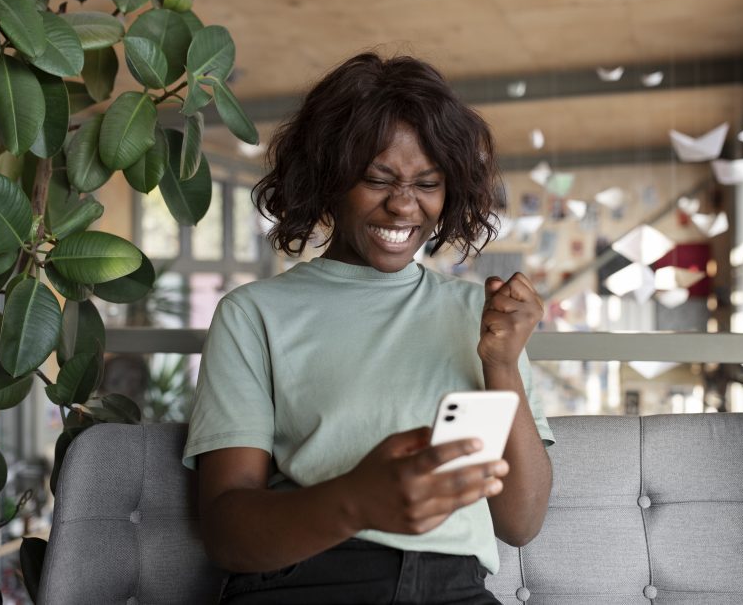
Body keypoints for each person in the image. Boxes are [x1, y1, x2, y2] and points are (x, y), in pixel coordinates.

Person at [183, 52, 555, 604]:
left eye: (427, 183)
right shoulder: (255, 313)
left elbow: (520, 522)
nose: (405, 206)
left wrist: (500, 364)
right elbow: (226, 531)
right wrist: (357, 501)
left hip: (455, 588)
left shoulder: (481, 317)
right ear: (328, 179)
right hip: (306, 581)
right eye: (378, 179)